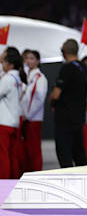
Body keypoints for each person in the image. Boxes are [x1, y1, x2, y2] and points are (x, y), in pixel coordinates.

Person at [50, 39, 87, 168]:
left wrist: (51, 101)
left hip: (65, 118)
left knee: (64, 152)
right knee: (79, 152)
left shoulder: (67, 68)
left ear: (64, 52)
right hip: (79, 116)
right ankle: (83, 181)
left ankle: (67, 182)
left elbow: (56, 94)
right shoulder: (84, 68)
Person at [0, 47, 26, 178]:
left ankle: (3, 187)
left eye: (3, 61)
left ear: (9, 64)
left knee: (3, 157)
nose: (1, 64)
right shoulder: (18, 78)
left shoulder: (8, 79)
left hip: (4, 123)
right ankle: (12, 184)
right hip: (14, 122)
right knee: (12, 156)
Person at [20, 49, 47, 172]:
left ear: (38, 61)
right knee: (25, 150)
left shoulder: (40, 78)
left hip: (33, 119)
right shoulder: (26, 76)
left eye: (32, 58)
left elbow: (39, 100)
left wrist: (27, 115)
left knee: (34, 150)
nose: (28, 61)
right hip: (25, 118)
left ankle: (36, 174)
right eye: (27, 58)